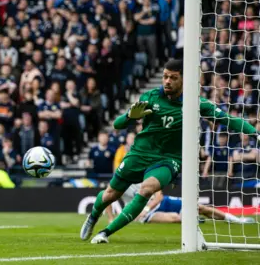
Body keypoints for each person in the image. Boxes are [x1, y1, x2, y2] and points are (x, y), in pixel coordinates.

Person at [80, 59, 259, 244]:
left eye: (173, 78)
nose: (167, 81)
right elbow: (117, 125)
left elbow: (229, 119)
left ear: (183, 79)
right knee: (110, 194)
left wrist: (255, 133)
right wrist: (128, 117)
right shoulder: (150, 97)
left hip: (168, 159)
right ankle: (93, 217)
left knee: (146, 189)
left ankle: (105, 233)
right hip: (140, 153)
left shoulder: (195, 103)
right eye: (165, 77)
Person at [106, 184, 254, 224]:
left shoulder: (145, 176)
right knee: (176, 219)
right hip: (145, 215)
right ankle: (192, 220)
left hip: (161, 203)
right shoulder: (122, 183)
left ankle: (236, 220)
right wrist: (111, 218)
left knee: (199, 207)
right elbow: (105, 197)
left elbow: (159, 195)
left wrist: (146, 207)